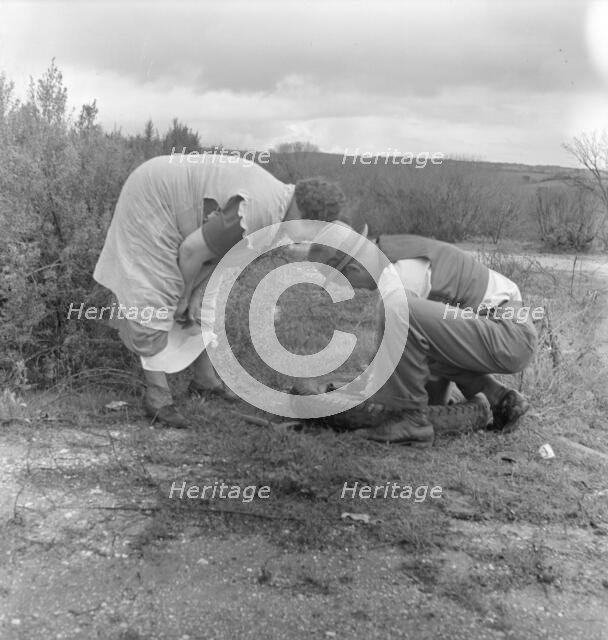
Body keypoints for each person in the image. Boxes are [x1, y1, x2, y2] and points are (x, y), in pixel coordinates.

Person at [94, 153, 348, 427]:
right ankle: (158, 396)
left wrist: (197, 293)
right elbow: (191, 251)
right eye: (312, 230)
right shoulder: (257, 211)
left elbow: (220, 257)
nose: (308, 238)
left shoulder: (279, 209)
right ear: (305, 217)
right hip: (152, 198)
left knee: (208, 298)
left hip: (176, 205)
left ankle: (205, 380)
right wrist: (183, 295)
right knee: (157, 292)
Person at [306, 221, 537, 447]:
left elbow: (396, 338)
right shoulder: (396, 257)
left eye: (343, 281)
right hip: (501, 329)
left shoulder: (397, 273)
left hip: (510, 335)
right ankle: (500, 399)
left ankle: (412, 422)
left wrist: (371, 399)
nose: (352, 288)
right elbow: (416, 345)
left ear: (353, 269)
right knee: (412, 334)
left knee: (399, 312)